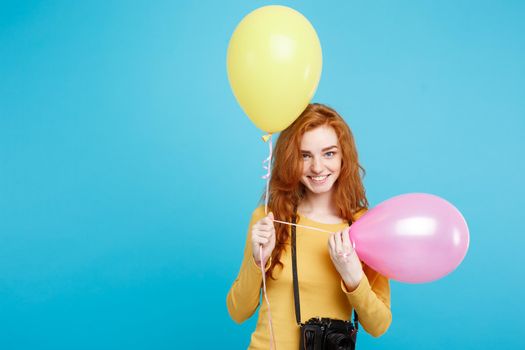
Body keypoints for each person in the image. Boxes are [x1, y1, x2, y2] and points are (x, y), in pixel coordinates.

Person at [227, 103, 392, 349]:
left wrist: (353, 276)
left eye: (329, 153)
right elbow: (238, 312)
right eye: (305, 155)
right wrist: (258, 260)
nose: (317, 167)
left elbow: (378, 326)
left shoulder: (365, 226)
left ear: (343, 156)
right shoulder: (269, 218)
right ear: (291, 159)